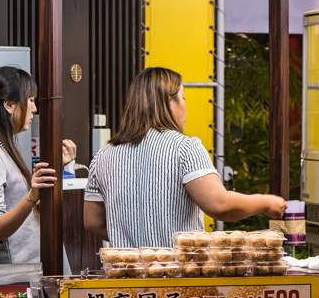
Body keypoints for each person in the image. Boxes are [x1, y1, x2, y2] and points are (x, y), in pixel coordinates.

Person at [84, 67, 286, 247]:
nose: (185, 104)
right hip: (179, 276)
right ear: (169, 103)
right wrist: (265, 202)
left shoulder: (103, 155)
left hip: (125, 279)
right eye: (183, 97)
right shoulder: (185, 147)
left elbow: (93, 222)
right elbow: (220, 205)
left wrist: (135, 241)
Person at [0, 66, 77, 267]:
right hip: (17, 279)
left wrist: (55, 168)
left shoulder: (1, 146)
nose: (35, 108)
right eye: (30, 100)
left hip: (31, 273)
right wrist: (32, 196)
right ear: (9, 105)